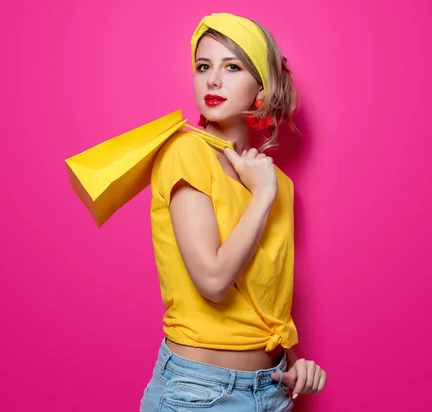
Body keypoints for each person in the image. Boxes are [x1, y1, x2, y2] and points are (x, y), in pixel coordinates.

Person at [139, 12, 326, 411]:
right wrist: (261, 196)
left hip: (273, 390)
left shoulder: (279, 186)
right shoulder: (186, 152)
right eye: (203, 66)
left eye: (233, 67)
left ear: (262, 86)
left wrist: (295, 364)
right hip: (198, 392)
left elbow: (261, 303)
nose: (213, 80)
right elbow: (213, 279)